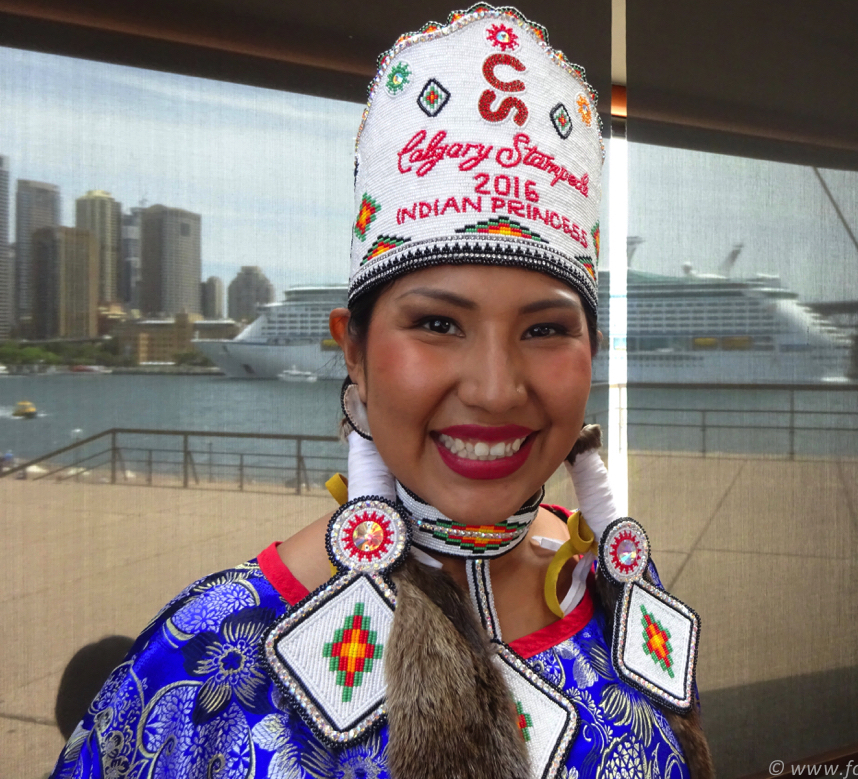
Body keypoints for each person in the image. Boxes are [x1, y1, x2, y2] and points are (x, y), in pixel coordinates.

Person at [51, 7, 713, 778]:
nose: (497, 389)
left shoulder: (618, 587)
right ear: (354, 351)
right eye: (437, 322)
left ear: (590, 353)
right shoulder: (212, 660)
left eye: (544, 330)